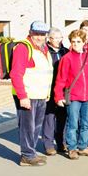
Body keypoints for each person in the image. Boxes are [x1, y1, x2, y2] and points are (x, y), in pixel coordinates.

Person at [11, 21, 54, 166]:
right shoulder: (23, 48)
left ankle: (31, 153)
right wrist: (22, 96)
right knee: (27, 127)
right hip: (28, 95)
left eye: (43, 34)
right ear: (30, 32)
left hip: (40, 95)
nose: (40, 37)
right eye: (36, 33)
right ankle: (27, 156)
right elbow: (16, 73)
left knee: (36, 126)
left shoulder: (44, 48)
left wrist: (46, 94)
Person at [54, 29, 88, 160]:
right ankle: (72, 148)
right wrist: (58, 96)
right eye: (73, 41)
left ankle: (83, 146)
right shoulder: (66, 58)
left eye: (78, 41)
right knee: (72, 123)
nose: (75, 44)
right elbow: (60, 79)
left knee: (86, 124)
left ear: (84, 42)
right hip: (73, 97)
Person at [42, 27, 69, 155]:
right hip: (48, 89)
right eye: (55, 38)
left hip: (63, 90)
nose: (58, 40)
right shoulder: (44, 51)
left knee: (62, 118)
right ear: (49, 39)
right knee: (49, 118)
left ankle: (61, 142)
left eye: (60, 38)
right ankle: (48, 145)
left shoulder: (66, 51)